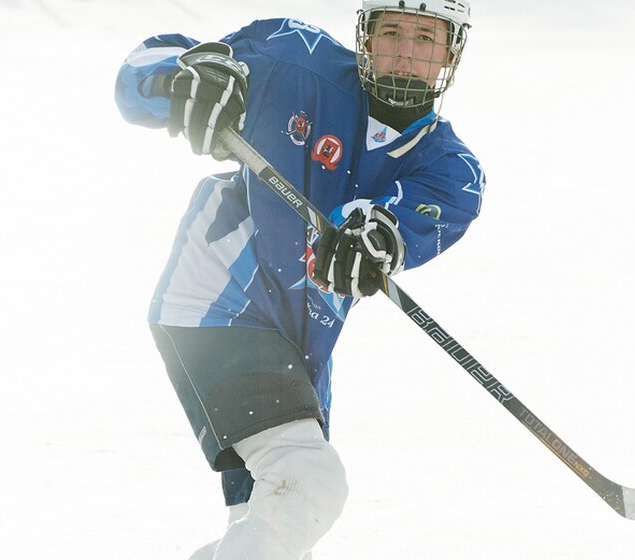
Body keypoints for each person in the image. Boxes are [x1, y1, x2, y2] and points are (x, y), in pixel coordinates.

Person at [115, 1, 484, 558]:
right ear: (365, 37)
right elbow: (140, 70)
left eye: (426, 39)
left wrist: (379, 237)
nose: (405, 53)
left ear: (450, 54)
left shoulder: (453, 171)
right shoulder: (295, 56)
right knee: (309, 482)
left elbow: (403, 223)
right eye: (392, 32)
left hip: (302, 347)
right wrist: (195, 77)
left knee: (281, 521)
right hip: (218, 298)